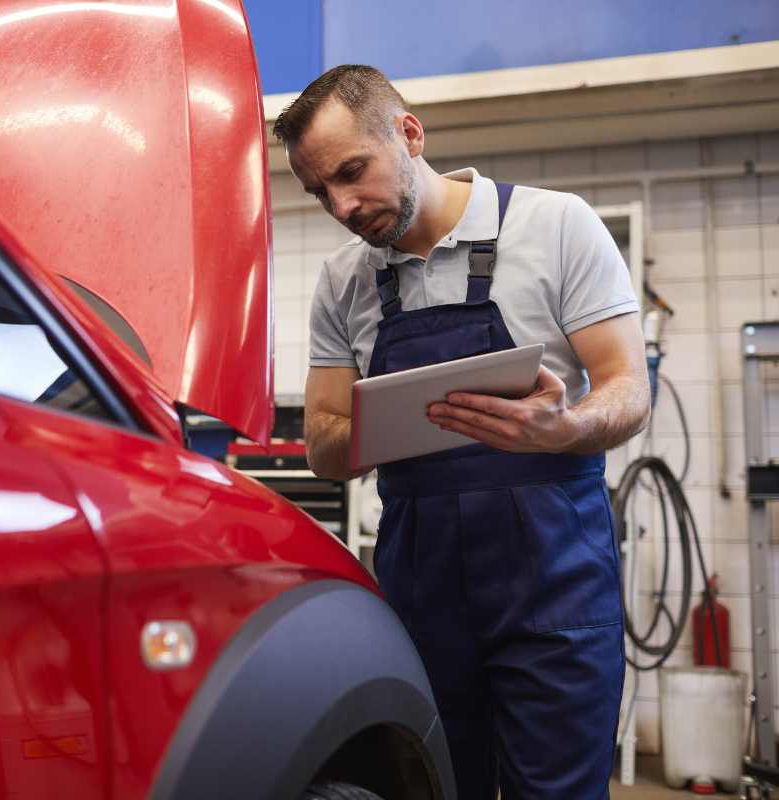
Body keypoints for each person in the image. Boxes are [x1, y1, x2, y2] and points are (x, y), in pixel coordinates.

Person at [273, 65, 650, 799]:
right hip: (423, 596)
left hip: (555, 591)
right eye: (320, 192)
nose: (343, 205)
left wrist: (568, 424)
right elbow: (322, 443)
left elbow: (628, 389)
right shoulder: (344, 281)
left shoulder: (555, 225)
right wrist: (390, 422)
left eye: (353, 172)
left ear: (409, 134)